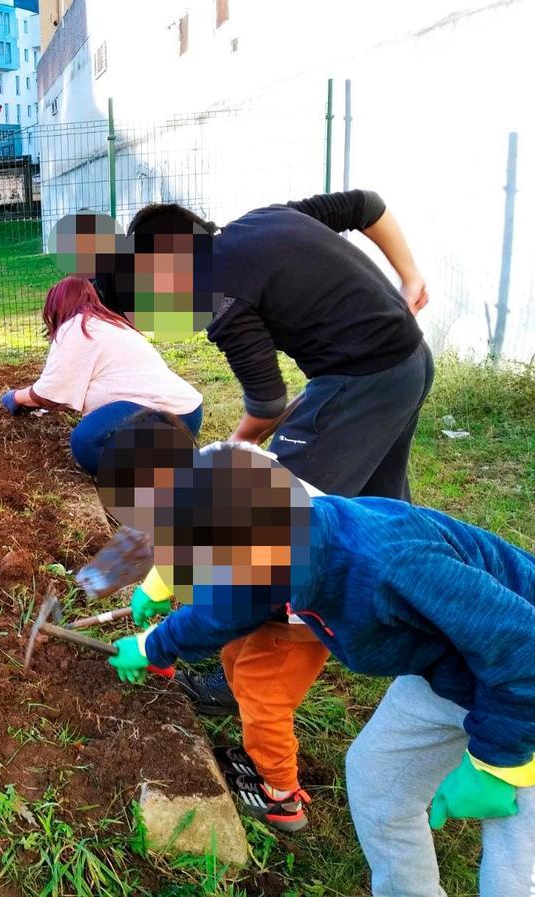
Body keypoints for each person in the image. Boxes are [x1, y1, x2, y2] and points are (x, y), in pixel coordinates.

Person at [118, 191, 435, 827]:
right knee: (371, 522)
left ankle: (257, 666)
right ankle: (397, 626)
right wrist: (410, 276)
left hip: (357, 387)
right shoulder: (267, 218)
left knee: (270, 533)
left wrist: (224, 463)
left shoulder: (219, 294)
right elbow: (366, 204)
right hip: (408, 363)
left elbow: (266, 403)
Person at [106, 443, 534, 895]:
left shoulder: (389, 565)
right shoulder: (282, 547)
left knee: (515, 864)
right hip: (449, 674)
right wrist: (155, 643)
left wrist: (496, 764)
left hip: (522, 684)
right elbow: (230, 606)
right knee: (377, 783)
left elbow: (523, 648)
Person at [0, 276, 204, 477]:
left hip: (157, 412)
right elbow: (66, 392)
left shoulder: (76, 327)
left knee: (86, 442)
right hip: (188, 416)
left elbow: (49, 394)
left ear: (56, 307)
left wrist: (16, 397)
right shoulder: (112, 323)